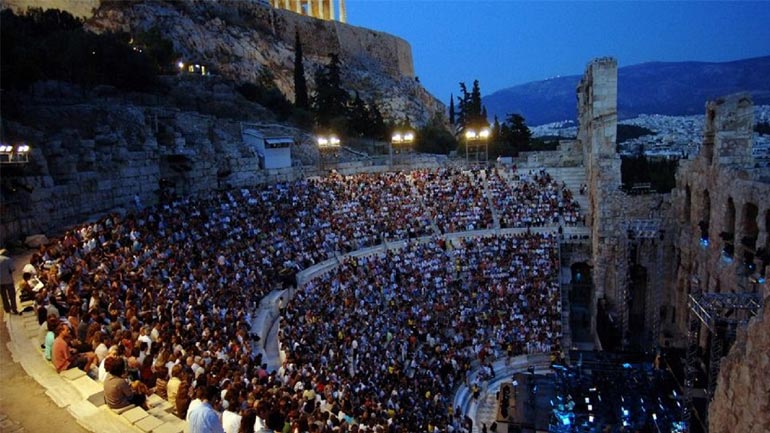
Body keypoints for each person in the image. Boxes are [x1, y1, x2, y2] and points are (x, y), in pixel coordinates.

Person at [0, 248, 18, 315]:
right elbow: (12, 269)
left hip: (0, 282)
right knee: (12, 295)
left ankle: (7, 308)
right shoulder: (7, 259)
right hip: (8, 280)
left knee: (3, 295)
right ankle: (14, 308)